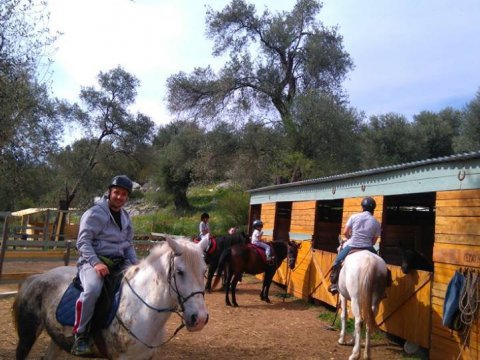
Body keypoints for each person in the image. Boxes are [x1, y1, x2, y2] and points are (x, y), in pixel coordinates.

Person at [71, 175, 139, 356]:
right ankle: (81, 335)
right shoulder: (94, 213)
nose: (120, 197)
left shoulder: (125, 216)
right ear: (110, 192)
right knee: (92, 290)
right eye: (117, 192)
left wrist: (136, 264)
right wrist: (96, 263)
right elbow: (83, 242)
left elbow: (128, 244)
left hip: (119, 262)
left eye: (124, 194)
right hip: (93, 261)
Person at [328, 197, 381, 294]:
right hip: (368, 247)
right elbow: (373, 242)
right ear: (373, 208)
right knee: (381, 264)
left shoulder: (354, 217)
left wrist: (349, 238)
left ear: (362, 207)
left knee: (337, 261)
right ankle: (383, 289)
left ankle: (334, 284)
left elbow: (345, 232)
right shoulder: (377, 223)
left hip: (352, 245)